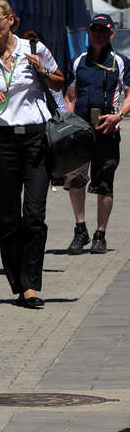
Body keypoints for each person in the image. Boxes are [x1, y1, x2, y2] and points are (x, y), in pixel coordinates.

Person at [0, 0, 61, 309]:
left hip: (36, 139)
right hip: (3, 142)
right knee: (8, 217)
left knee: (33, 214)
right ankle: (18, 282)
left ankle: (31, 284)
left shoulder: (33, 48)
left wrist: (43, 71)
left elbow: (60, 83)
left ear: (11, 20)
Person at [62, 14, 130, 254]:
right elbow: (70, 95)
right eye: (95, 30)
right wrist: (68, 122)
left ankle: (101, 234)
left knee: (104, 183)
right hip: (80, 132)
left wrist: (118, 115)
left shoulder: (121, 61)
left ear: (111, 33)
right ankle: (80, 230)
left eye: (103, 30)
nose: (98, 34)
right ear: (89, 33)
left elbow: (129, 93)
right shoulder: (78, 60)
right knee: (74, 180)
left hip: (108, 130)